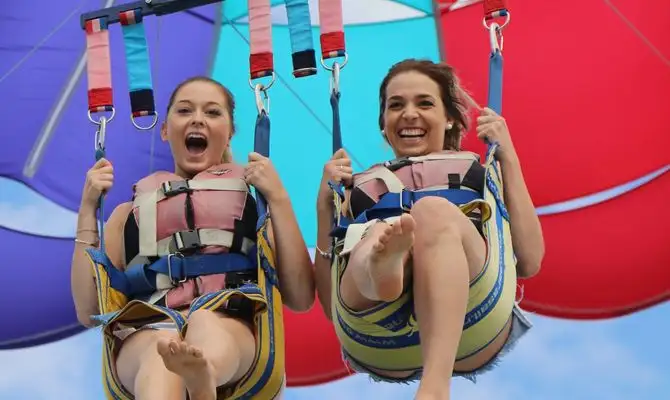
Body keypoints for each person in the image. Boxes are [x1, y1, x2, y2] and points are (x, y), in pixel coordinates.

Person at [70, 76, 315, 400]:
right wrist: (88, 208)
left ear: (230, 133)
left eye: (212, 113)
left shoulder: (252, 205)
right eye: (185, 110)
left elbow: (300, 297)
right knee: (159, 354)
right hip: (150, 326)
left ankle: (203, 374)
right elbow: (88, 311)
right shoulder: (126, 215)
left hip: (229, 322)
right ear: (165, 129)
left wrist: (278, 198)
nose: (198, 118)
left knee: (204, 324)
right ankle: (195, 380)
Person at [314, 59, 545, 399]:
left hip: (472, 310)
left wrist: (507, 154)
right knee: (374, 235)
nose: (409, 114)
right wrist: (324, 207)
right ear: (383, 123)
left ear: (450, 117)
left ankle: (435, 387)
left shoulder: (477, 172)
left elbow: (530, 261)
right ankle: (385, 267)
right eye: (396, 105)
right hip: (372, 322)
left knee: (431, 213)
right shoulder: (355, 187)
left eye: (424, 103)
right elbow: (329, 308)